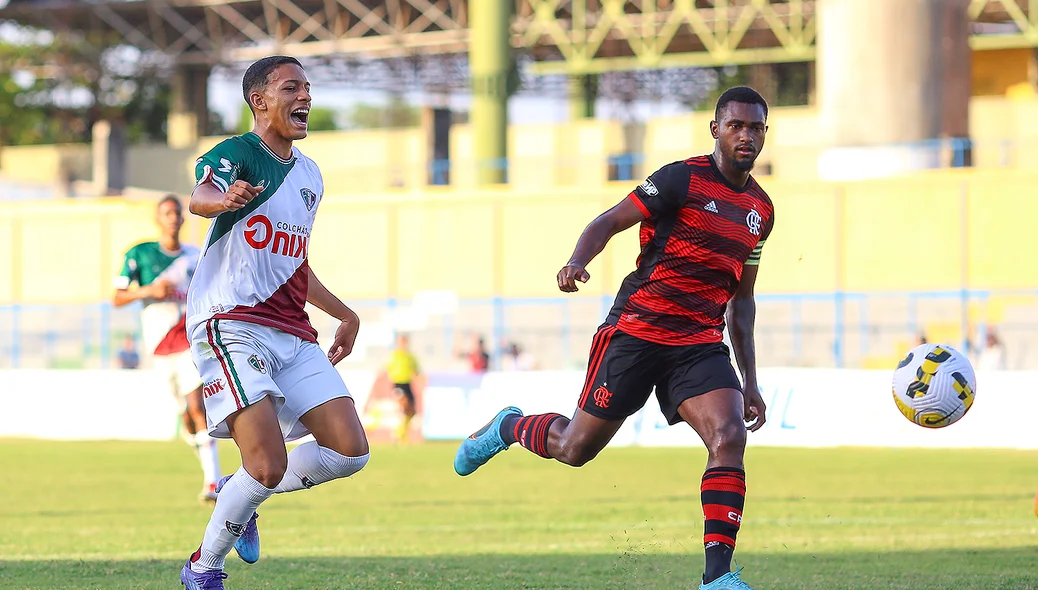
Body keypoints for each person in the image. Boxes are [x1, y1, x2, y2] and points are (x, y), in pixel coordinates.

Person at [454, 86, 774, 590]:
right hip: (637, 332)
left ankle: (717, 578)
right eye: (736, 125)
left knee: (728, 436)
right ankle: (509, 426)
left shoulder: (760, 210)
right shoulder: (680, 179)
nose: (746, 136)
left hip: (699, 343)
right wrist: (577, 261)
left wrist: (751, 380)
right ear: (716, 130)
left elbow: (743, 298)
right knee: (574, 448)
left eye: (756, 127)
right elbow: (609, 221)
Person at [178, 56, 369, 590]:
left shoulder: (310, 176)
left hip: (292, 331)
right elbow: (200, 196)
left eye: (307, 87)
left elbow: (294, 264)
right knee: (265, 464)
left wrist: (345, 314)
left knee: (350, 452)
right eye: (292, 87)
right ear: (259, 101)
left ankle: (243, 496)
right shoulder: (236, 154)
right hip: (231, 323)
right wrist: (222, 200)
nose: (305, 95)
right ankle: (204, 566)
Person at [113, 195, 222, 504]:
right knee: (185, 413)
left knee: (197, 406)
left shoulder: (196, 256)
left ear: (184, 219)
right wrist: (149, 290)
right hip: (158, 346)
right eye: (167, 213)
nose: (173, 218)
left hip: (189, 339)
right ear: (157, 219)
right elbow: (117, 297)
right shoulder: (140, 254)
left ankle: (213, 481)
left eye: (177, 213)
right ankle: (202, 452)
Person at [385, 333, 420, 444]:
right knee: (404, 406)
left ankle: (401, 433)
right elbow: (387, 370)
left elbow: (416, 370)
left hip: (407, 384)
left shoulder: (410, 356)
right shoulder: (394, 355)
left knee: (412, 411)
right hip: (398, 385)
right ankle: (399, 433)